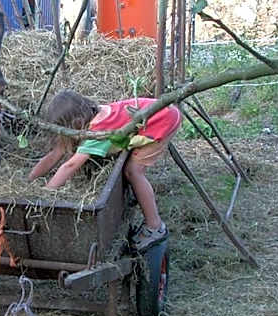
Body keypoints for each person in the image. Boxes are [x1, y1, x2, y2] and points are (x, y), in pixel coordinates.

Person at [28, 89, 181, 251]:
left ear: (77, 123)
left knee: (133, 171)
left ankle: (155, 226)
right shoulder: (97, 112)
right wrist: (30, 180)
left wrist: (46, 193)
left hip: (162, 121)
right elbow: (57, 151)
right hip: (161, 109)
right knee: (131, 168)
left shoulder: (98, 133)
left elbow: (70, 165)